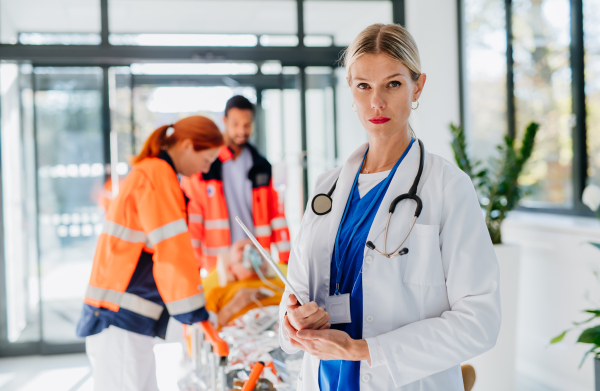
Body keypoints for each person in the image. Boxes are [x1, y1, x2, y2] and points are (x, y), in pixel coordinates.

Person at [278, 23, 501, 391]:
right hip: (324, 379)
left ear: (418, 86)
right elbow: (293, 296)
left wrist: (364, 351)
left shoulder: (448, 187)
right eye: (363, 85)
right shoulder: (326, 188)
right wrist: (293, 323)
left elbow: (480, 322)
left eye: (392, 84)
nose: (376, 102)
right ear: (349, 87)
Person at [76, 116, 224, 391]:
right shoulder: (157, 175)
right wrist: (196, 312)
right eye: (207, 159)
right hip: (118, 320)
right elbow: (172, 250)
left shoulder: (154, 173)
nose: (206, 169)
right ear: (189, 146)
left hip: (121, 320)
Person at [182, 95, 291, 272]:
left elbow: (277, 217)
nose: (242, 130)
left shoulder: (262, 167)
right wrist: (192, 269)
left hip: (256, 263)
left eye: (247, 124)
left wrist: (287, 264)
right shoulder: (204, 168)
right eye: (235, 124)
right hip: (219, 267)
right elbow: (193, 223)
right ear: (224, 121)